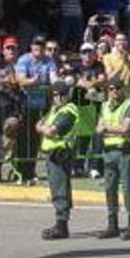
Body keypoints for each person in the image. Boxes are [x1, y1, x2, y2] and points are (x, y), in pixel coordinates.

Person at [35, 81, 79, 240]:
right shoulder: (55, 109)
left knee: (60, 189)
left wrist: (44, 129)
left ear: (68, 95)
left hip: (60, 153)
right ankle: (60, 223)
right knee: (56, 187)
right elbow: (38, 125)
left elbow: (51, 131)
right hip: (51, 153)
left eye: (61, 94)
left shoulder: (68, 111)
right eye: (55, 94)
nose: (58, 97)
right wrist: (43, 128)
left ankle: (62, 225)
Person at [96, 76, 130, 238]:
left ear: (122, 89)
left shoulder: (129, 106)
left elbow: (125, 128)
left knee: (128, 188)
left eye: (117, 88)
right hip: (109, 151)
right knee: (110, 188)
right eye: (111, 89)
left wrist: (106, 128)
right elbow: (99, 126)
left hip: (124, 151)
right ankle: (112, 224)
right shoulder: (105, 105)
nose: (114, 92)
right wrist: (106, 128)